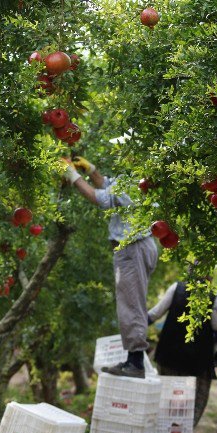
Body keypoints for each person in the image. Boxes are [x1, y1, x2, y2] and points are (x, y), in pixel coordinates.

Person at [62, 156, 158, 379]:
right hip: (137, 247)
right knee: (132, 302)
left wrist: (72, 174)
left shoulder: (136, 185)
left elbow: (100, 198)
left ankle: (135, 363)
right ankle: (133, 360)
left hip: (132, 249)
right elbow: (107, 185)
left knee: (131, 304)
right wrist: (91, 170)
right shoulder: (136, 179)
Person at [147, 280, 217, 426]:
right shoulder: (211, 297)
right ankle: (182, 431)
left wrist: (135, 328)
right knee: (192, 403)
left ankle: (166, 431)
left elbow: (154, 314)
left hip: (169, 357)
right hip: (197, 363)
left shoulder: (176, 288)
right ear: (208, 276)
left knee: (168, 398)